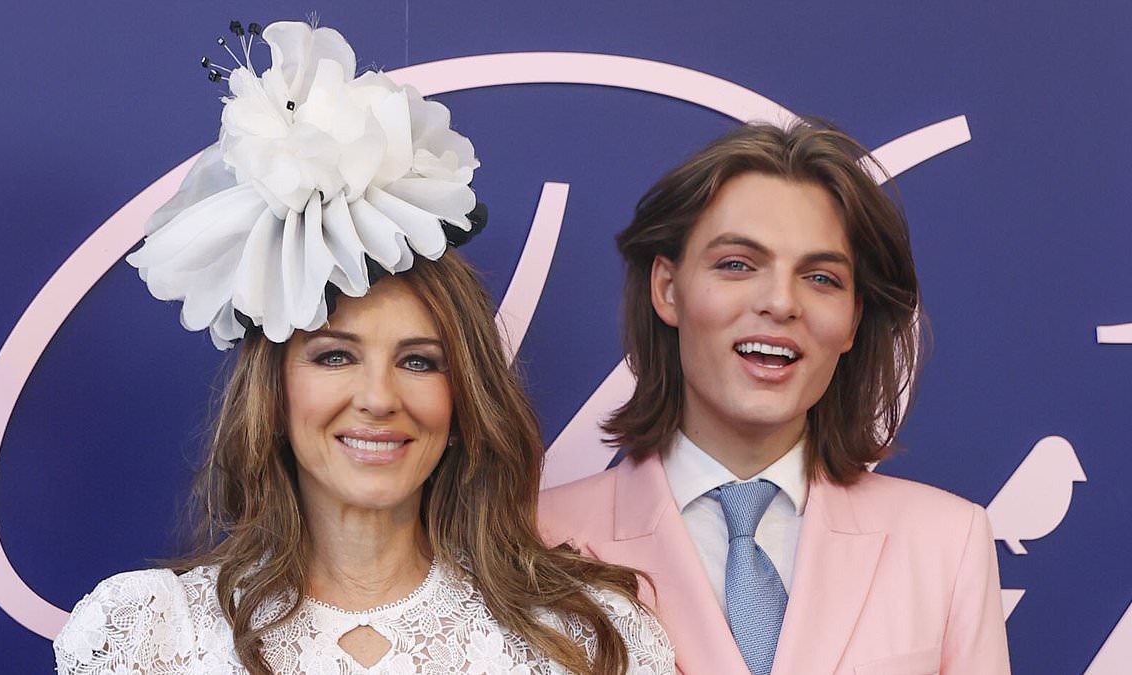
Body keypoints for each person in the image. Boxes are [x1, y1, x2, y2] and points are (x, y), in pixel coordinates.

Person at [54, 19, 672, 674]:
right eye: (335, 355)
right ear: (276, 386)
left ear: (464, 395)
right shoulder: (146, 633)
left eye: (418, 360)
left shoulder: (581, 636)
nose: (379, 398)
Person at [539, 120, 1010, 675]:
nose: (782, 302)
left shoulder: (946, 543)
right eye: (737, 264)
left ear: (854, 319)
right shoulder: (535, 538)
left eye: (822, 278)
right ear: (668, 289)